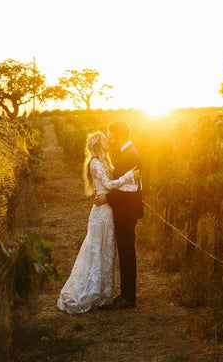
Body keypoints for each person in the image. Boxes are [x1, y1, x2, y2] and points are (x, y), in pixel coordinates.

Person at [57, 132, 138, 314]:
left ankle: (102, 293)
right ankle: (91, 291)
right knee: (97, 250)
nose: (108, 140)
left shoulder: (103, 161)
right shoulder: (95, 162)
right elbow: (109, 185)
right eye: (104, 139)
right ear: (98, 144)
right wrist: (129, 175)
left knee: (105, 250)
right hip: (101, 212)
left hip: (107, 210)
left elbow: (106, 187)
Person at [95, 120, 143, 309]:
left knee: (127, 252)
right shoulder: (127, 153)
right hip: (125, 210)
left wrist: (108, 199)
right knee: (125, 251)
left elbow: (130, 190)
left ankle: (129, 297)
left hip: (127, 211)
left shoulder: (130, 155)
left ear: (119, 135)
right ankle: (125, 293)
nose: (109, 137)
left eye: (110, 134)